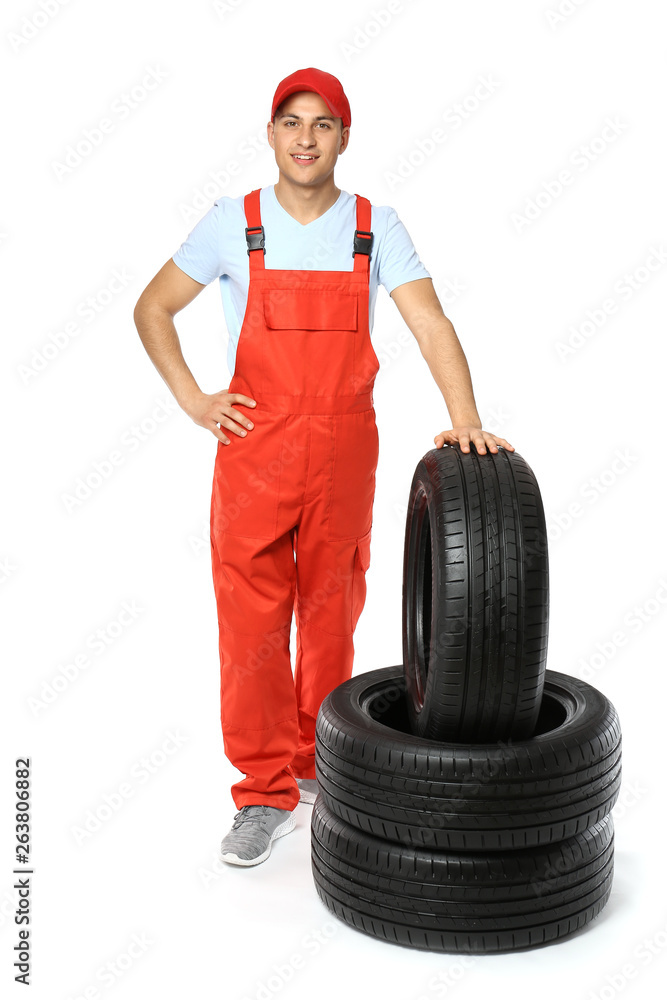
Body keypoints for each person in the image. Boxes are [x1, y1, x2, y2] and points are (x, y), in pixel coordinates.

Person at [133, 67, 514, 868]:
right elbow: (153, 306)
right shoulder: (231, 223)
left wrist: (465, 421)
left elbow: (428, 321)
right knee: (251, 626)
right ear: (270, 133)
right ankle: (262, 793)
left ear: (344, 137)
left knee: (332, 611)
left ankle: (320, 769)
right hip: (255, 450)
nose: (306, 138)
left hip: (343, 446)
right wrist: (194, 399)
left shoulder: (375, 226)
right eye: (291, 122)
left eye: (323, 124)